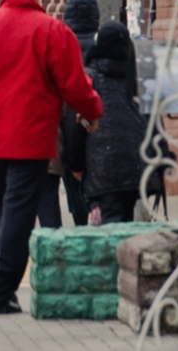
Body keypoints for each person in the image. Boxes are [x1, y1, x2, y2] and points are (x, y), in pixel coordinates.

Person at [0, 0, 103, 315]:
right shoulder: (51, 30)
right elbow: (75, 85)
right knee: (19, 211)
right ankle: (1, 291)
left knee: (3, 205)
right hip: (32, 135)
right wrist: (92, 110)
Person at [67, 21, 145, 224]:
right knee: (127, 217)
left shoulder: (89, 78)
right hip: (136, 165)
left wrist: (75, 165)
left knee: (110, 225)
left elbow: (76, 126)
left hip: (101, 169)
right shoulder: (138, 79)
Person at [42, 0, 102, 228]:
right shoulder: (103, 45)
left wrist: (72, 160)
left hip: (66, 136)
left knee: (76, 204)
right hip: (98, 136)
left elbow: (68, 106)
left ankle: (80, 229)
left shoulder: (61, 46)